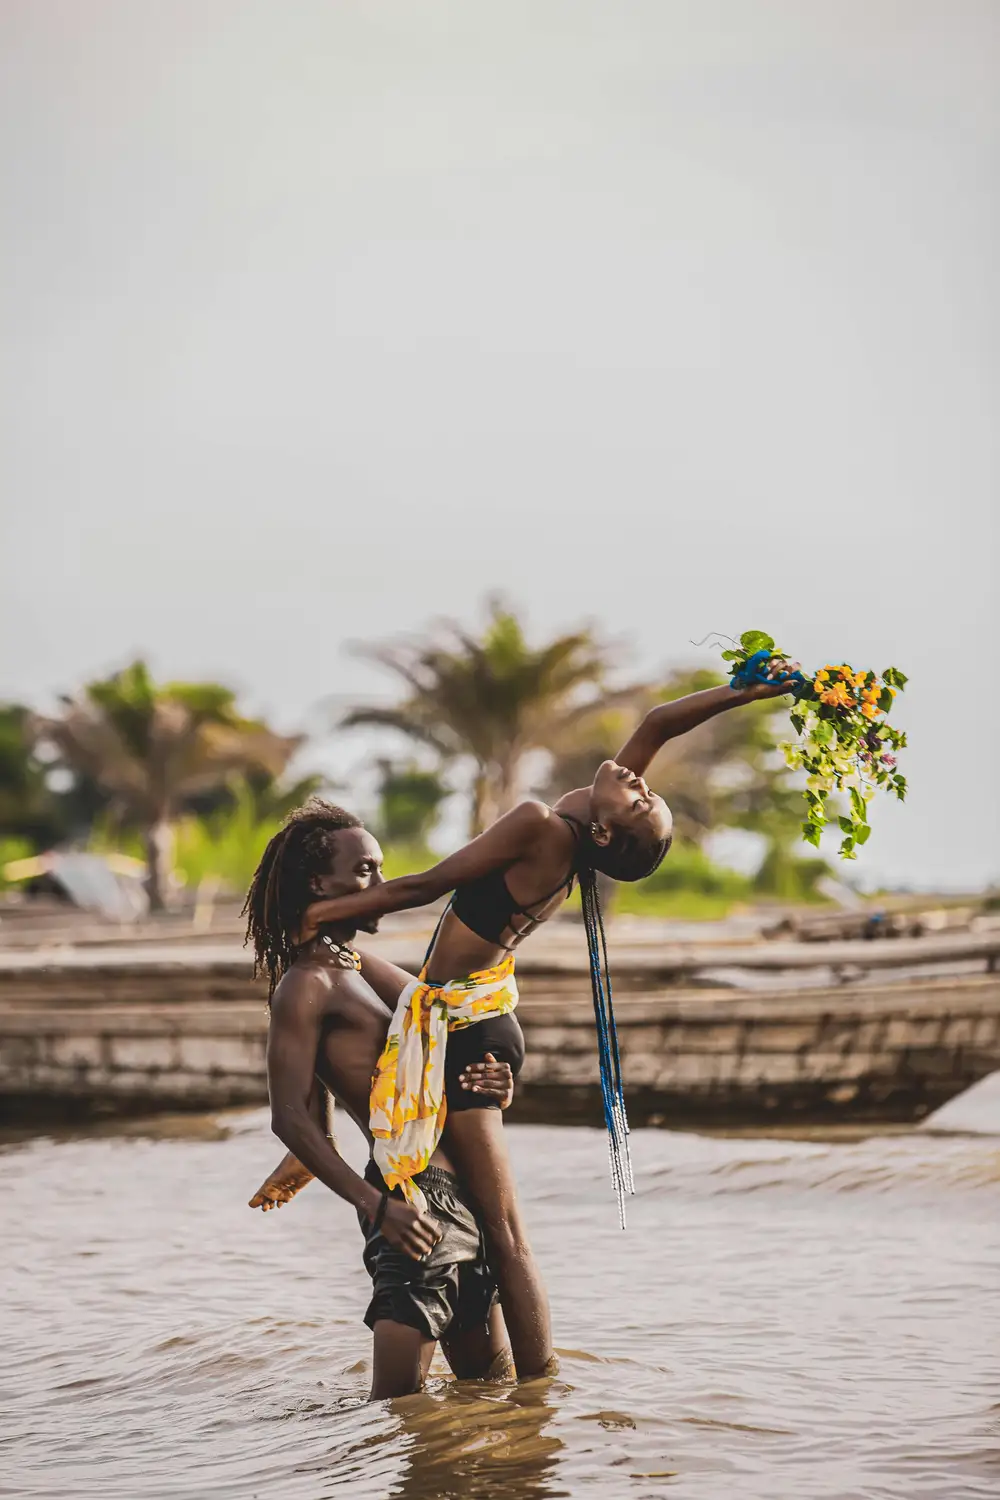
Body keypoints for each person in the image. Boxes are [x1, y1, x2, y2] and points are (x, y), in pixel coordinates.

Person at [293, 672, 796, 1379]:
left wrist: (307, 917)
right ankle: (500, 1376)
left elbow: (418, 887)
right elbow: (656, 724)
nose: (641, 783)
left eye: (641, 800)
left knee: (505, 1232)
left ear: (603, 828)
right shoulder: (582, 829)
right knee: (487, 1217)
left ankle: (540, 1389)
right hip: (475, 1017)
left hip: (470, 1029)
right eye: (648, 794)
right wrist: (749, 692)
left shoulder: (538, 824)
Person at [243, 801, 521, 1400]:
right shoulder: (305, 985)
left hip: (464, 1200)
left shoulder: (360, 966)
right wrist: (375, 1207)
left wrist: (500, 1080)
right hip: (411, 1205)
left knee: (497, 1404)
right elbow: (287, 1114)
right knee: (397, 1415)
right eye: (365, 870)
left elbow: (457, 1030)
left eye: (382, 868)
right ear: (320, 884)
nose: (382, 884)